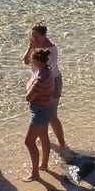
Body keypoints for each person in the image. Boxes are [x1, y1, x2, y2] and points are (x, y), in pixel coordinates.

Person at [21, 24, 67, 153]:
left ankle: (62, 143)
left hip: (51, 81)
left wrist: (33, 86)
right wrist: (30, 46)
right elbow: (25, 61)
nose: (33, 38)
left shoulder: (50, 49)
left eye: (36, 36)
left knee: (52, 115)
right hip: (38, 80)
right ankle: (43, 137)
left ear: (43, 35)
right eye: (32, 35)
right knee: (42, 112)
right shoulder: (34, 46)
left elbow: (47, 72)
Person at [22, 47, 57, 183]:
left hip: (40, 111)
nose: (30, 60)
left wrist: (28, 88)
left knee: (29, 141)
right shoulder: (46, 70)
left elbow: (29, 97)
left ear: (38, 61)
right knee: (43, 136)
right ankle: (44, 165)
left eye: (32, 58)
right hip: (46, 108)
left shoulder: (41, 78)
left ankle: (35, 173)